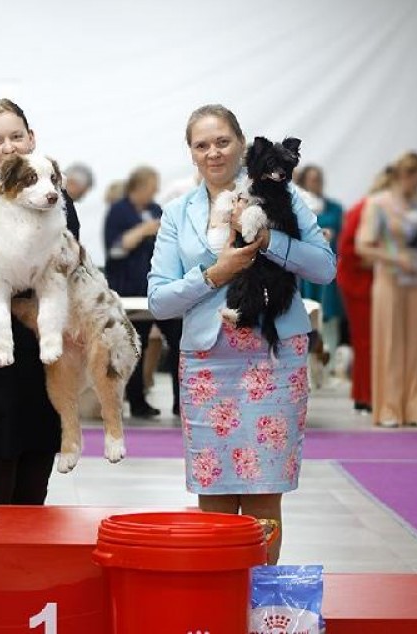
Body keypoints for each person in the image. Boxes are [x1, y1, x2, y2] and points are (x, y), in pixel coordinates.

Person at [147, 104, 335, 564]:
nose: (213, 152)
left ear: (242, 144)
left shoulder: (284, 197)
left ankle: (260, 596)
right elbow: (159, 301)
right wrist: (215, 273)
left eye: (222, 141)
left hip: (276, 361)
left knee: (265, 497)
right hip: (208, 367)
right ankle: (220, 597)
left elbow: (325, 268)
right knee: (213, 497)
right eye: (202, 145)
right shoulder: (177, 214)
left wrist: (269, 242)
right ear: (191, 154)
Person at [0, 98, 80, 505]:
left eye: (16, 136)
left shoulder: (55, 193)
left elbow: (67, 258)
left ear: (31, 138)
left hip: (46, 347)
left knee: (36, 476)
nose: (8, 147)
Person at [356, 151, 417, 428]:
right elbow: (363, 246)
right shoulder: (378, 203)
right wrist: (396, 258)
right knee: (389, 342)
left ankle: (414, 407)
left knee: (415, 342)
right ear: (406, 174)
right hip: (390, 278)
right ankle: (388, 408)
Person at [103, 165, 183, 417]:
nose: (155, 190)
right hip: (130, 290)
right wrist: (142, 231)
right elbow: (115, 249)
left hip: (161, 289)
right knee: (135, 346)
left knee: (178, 342)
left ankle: (181, 402)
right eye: (152, 185)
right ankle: (137, 402)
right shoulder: (118, 211)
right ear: (140, 185)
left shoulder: (157, 210)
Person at [336, 174, 389, 414]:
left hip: (367, 281)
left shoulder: (369, 208)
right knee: (366, 341)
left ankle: (365, 394)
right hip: (359, 283)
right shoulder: (365, 209)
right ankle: (366, 395)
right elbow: (349, 250)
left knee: (368, 341)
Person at [295, 165, 345, 358]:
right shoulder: (299, 205)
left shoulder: (335, 208)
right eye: (312, 179)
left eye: (319, 178)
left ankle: (329, 360)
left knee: (330, 312)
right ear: (305, 181)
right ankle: (308, 360)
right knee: (308, 312)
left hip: (330, 265)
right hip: (307, 267)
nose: (317, 182)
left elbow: (343, 236)